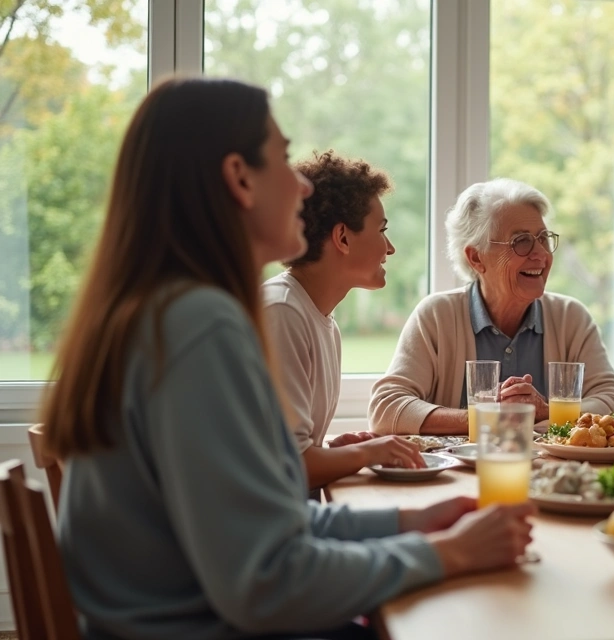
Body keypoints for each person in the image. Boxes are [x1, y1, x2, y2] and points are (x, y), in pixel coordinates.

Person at [41, 77, 534, 640]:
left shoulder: (168, 311)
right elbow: (266, 584)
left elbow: (268, 518)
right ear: (239, 178)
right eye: (281, 158)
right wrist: (450, 554)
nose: (302, 187)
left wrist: (410, 521)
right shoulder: (200, 326)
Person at [369, 178, 614, 435]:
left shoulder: (570, 318)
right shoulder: (437, 316)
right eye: (521, 241)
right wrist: (484, 416)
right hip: (459, 466)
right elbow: (386, 409)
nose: (541, 254)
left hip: (551, 466)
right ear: (476, 257)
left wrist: (545, 411)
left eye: (543, 238)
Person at [263, 150, 424, 489]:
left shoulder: (322, 320)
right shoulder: (282, 312)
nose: (390, 248)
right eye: (381, 230)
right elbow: (289, 468)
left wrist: (336, 452)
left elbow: (292, 451)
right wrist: (367, 453)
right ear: (343, 238)